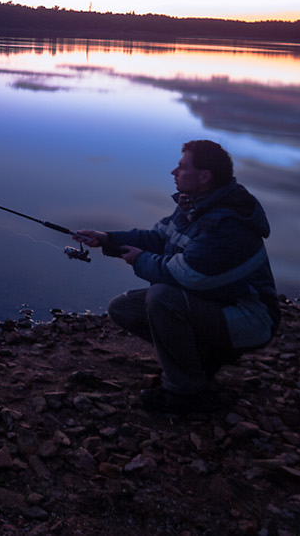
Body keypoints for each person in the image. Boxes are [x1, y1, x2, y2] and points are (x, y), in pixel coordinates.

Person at [73, 140, 278, 414]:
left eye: (182, 167)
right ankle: (201, 360)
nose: (173, 172)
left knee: (162, 297)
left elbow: (189, 275)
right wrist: (109, 239)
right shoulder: (193, 205)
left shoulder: (226, 223)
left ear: (204, 176)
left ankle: (186, 393)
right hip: (218, 303)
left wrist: (139, 259)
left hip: (249, 317)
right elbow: (159, 238)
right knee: (123, 309)